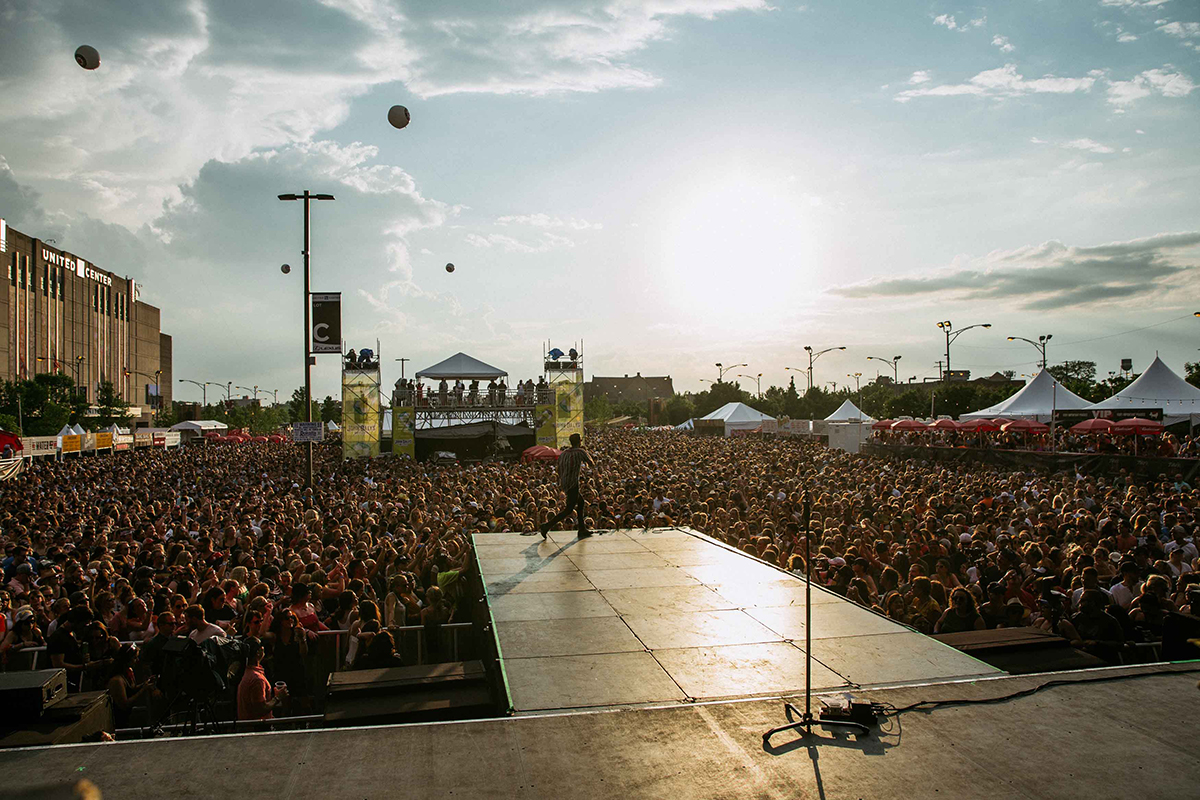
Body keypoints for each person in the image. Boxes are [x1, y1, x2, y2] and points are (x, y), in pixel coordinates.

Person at [540, 433, 597, 540]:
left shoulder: (564, 453)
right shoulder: (580, 451)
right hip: (573, 483)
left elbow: (559, 469)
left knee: (581, 503)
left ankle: (582, 529)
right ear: (579, 441)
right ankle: (546, 526)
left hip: (565, 482)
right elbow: (591, 463)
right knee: (569, 509)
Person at [238, 637, 286, 721]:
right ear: (258, 652)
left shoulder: (245, 672)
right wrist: (278, 698)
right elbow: (260, 709)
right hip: (256, 729)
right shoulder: (257, 679)